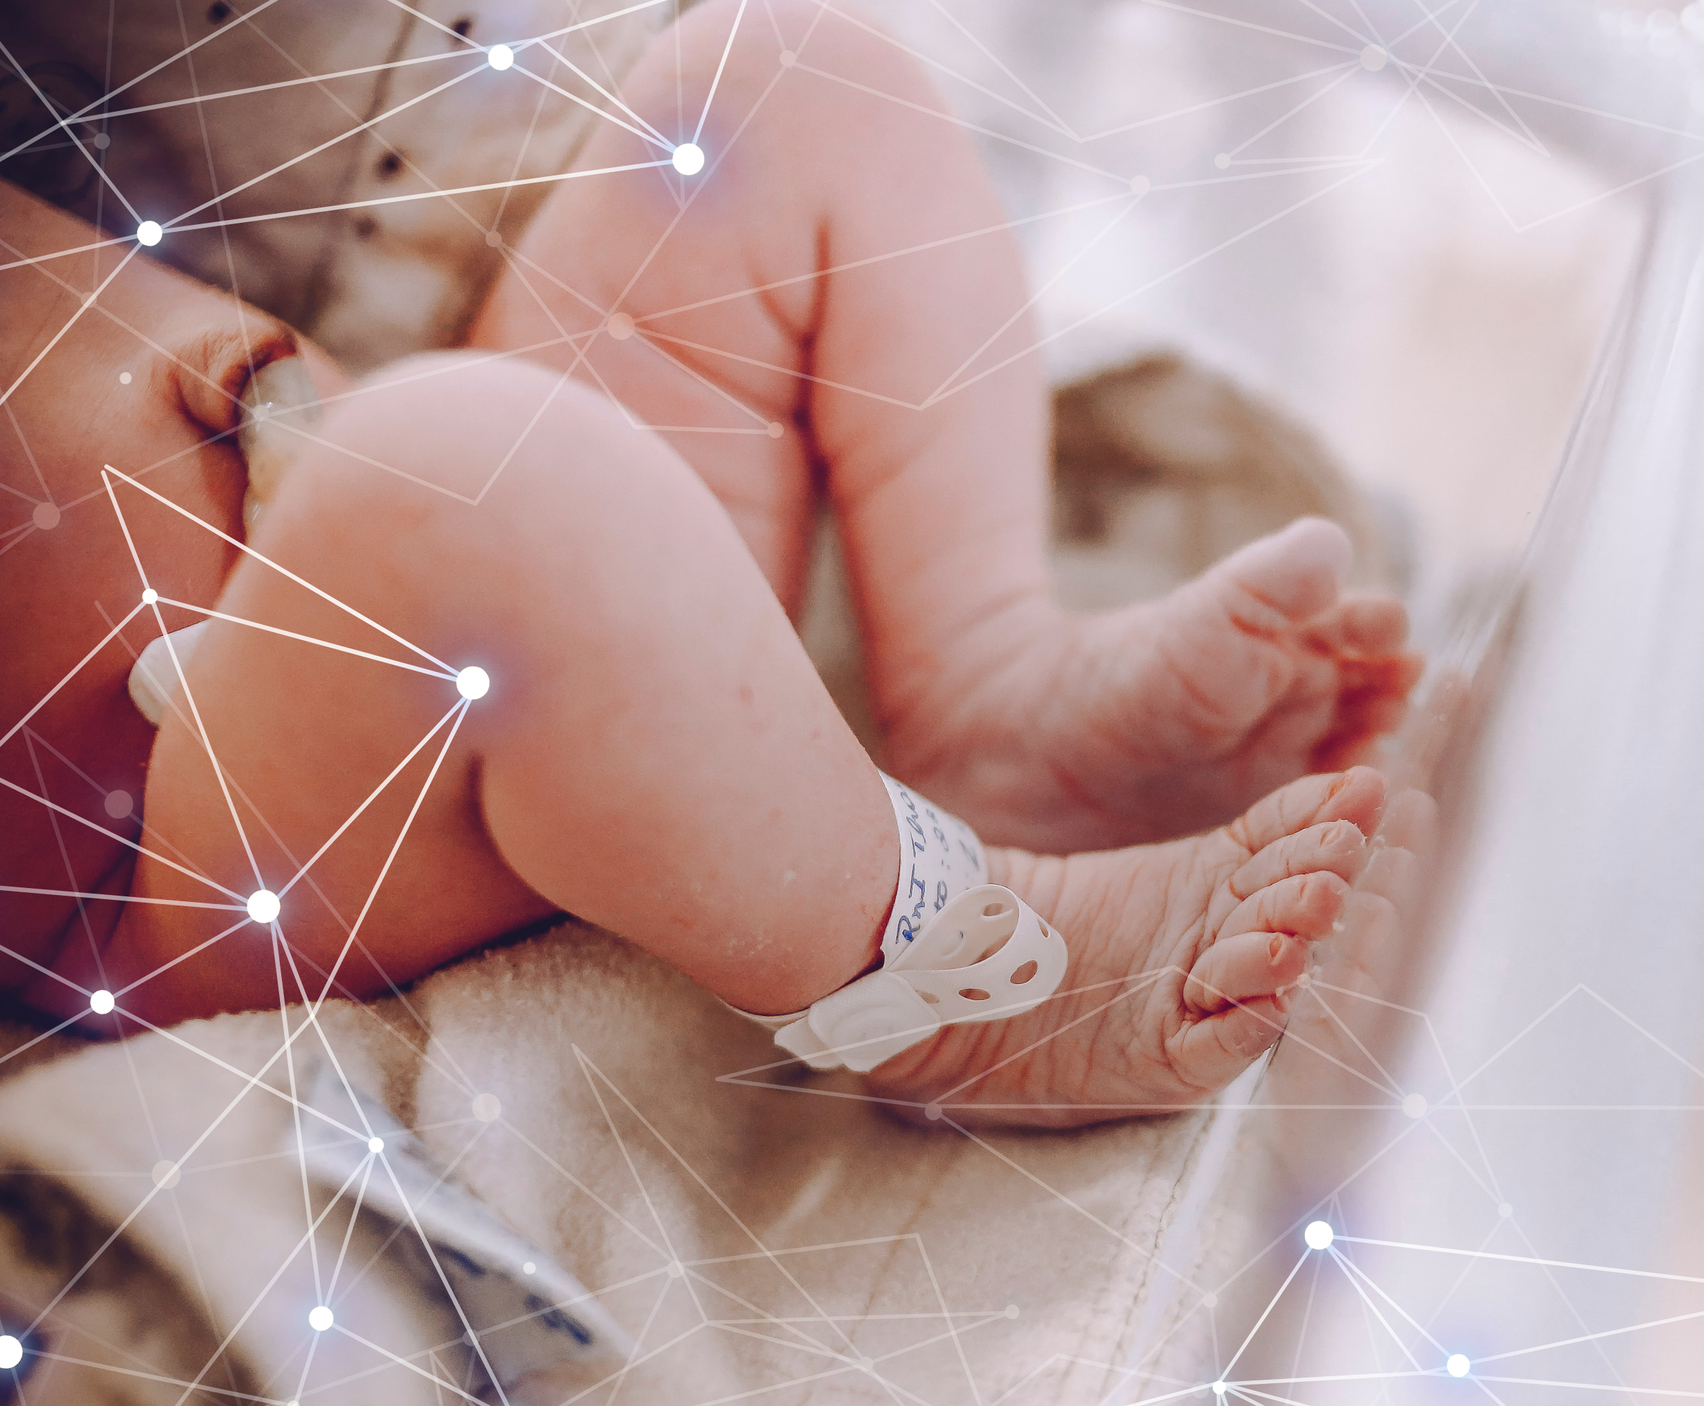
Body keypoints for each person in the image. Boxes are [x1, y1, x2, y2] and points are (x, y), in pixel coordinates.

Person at [0, 3, 1418, 1123]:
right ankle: (957, 976)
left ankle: (982, 674)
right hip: (200, 862)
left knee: (783, 84)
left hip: (432, 487)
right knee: (460, 484)